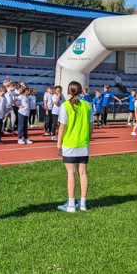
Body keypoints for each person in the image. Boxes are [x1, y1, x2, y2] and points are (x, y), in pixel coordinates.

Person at [56, 81, 94, 213]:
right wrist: (87, 138)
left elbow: (62, 126)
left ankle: (71, 204)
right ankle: (83, 203)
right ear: (81, 91)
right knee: (83, 173)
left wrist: (59, 143)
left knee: (71, 173)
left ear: (68, 91)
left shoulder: (65, 105)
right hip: (83, 143)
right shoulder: (88, 105)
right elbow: (91, 126)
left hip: (69, 143)